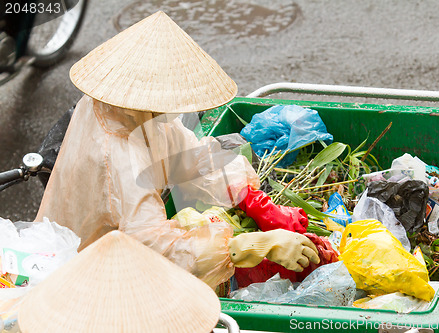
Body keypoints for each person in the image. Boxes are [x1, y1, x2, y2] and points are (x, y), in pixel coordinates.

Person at [35, 11, 319, 289]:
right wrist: (251, 245)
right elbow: (154, 247)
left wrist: (254, 201)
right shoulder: (118, 152)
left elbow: (191, 159)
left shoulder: (135, 111)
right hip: (94, 277)